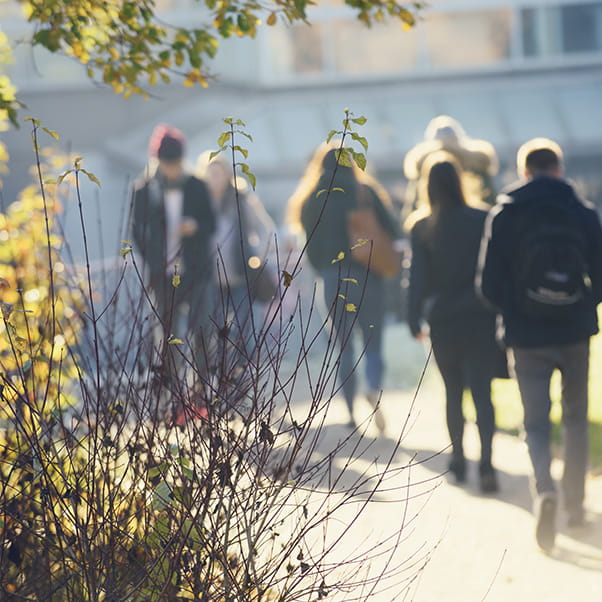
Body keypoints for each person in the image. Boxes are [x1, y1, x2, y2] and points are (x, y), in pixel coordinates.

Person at [476, 138, 602, 551]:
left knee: (534, 422)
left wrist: (518, 310)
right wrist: (580, 304)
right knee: (576, 419)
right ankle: (576, 507)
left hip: (526, 336)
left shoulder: (505, 214)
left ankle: (544, 489)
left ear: (524, 172)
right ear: (560, 170)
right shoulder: (582, 213)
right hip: (574, 332)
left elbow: (488, 285)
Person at [406, 152, 503, 493]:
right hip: (480, 316)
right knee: (482, 392)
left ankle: (459, 460)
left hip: (443, 320)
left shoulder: (422, 226)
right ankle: (488, 465)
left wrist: (412, 317)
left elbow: (416, 279)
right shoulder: (483, 218)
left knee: (452, 392)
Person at [287, 142, 400, 431]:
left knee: (343, 347)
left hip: (332, 278)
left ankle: (351, 412)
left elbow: (308, 247)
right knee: (373, 344)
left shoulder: (312, 198)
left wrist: (325, 265)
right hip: (368, 278)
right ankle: (373, 386)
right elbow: (391, 230)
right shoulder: (366, 192)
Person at [131, 124, 215, 401]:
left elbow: (211, 223)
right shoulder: (145, 190)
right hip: (163, 274)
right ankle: (170, 392)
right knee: (167, 335)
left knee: (201, 328)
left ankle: (202, 389)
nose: (172, 169)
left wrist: (195, 227)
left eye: (176, 163)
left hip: (196, 270)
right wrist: (154, 260)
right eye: (168, 163)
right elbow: (137, 233)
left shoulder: (197, 186)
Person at [194, 151, 277, 375]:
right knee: (219, 334)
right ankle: (225, 381)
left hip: (241, 277)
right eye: (211, 174)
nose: (216, 179)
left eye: (220, 174)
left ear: (227, 176)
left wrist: (256, 253)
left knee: (245, 332)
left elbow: (265, 228)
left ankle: (243, 379)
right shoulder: (199, 204)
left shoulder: (240, 199)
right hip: (211, 280)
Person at [402, 116, 498, 224]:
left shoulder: (423, 166)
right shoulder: (477, 164)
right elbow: (492, 201)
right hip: (474, 224)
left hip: (436, 226)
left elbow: (414, 205)